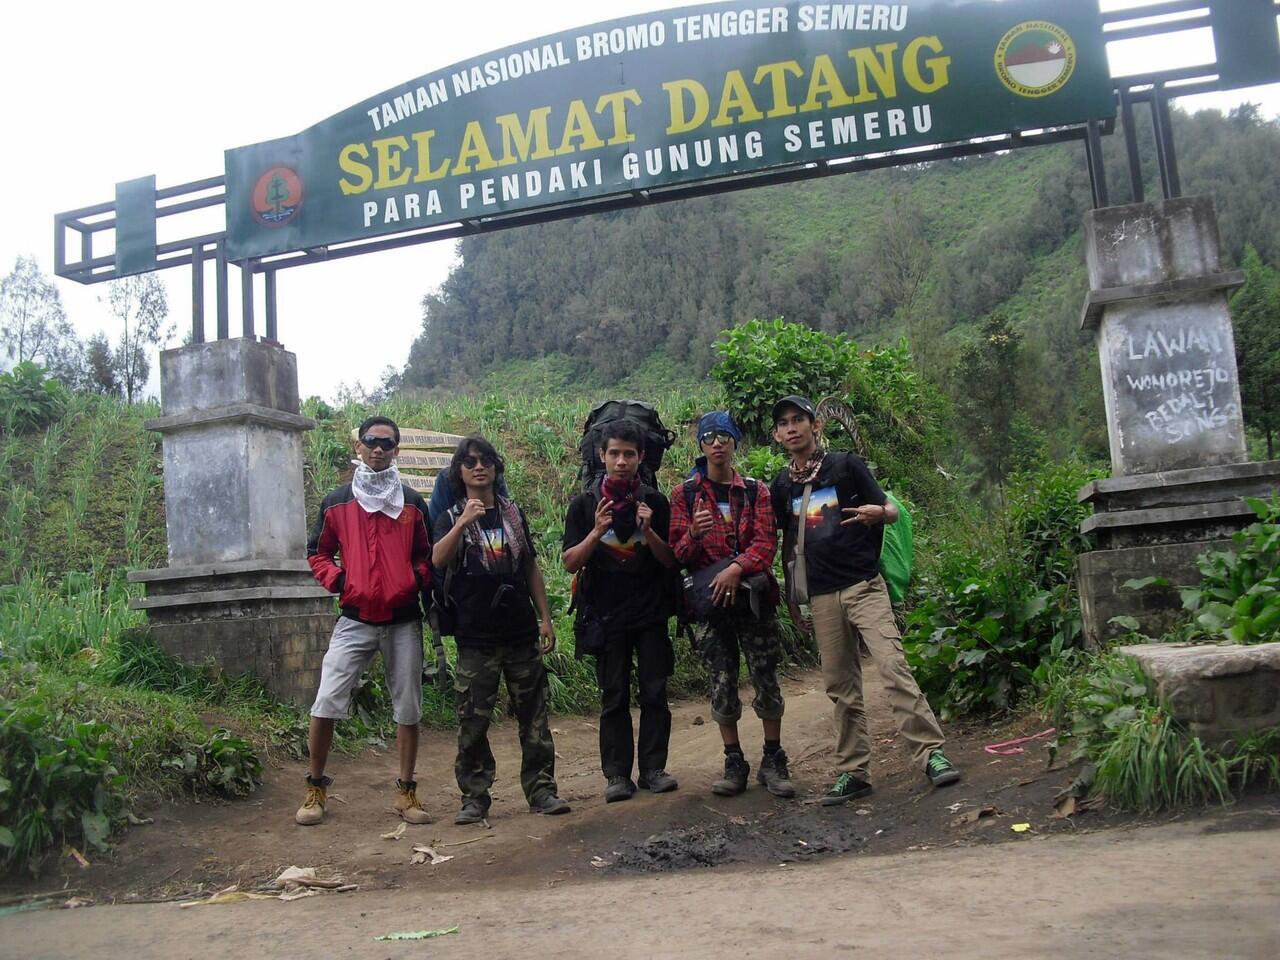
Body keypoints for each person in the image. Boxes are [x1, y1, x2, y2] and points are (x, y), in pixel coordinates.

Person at [769, 395, 961, 804]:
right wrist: (792, 597)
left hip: (863, 585)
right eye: (784, 423)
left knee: (892, 667)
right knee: (840, 685)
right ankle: (854, 772)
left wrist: (881, 514)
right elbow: (789, 541)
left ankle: (931, 754)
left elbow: (890, 509)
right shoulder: (783, 485)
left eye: (798, 420)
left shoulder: (845, 465)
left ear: (815, 425)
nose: (792, 428)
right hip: (820, 596)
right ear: (777, 435)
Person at [299, 415, 434, 827]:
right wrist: (341, 582)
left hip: (403, 619)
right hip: (355, 618)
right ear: (358, 447)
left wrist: (410, 581)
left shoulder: (411, 503)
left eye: (387, 443)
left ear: (396, 450)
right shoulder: (338, 501)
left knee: (407, 707)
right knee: (325, 702)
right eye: (371, 442)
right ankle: (316, 787)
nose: (378, 449)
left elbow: (426, 556)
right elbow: (317, 552)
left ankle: (406, 793)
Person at [432, 435, 570, 823]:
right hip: (475, 637)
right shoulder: (451, 515)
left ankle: (542, 790)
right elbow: (438, 559)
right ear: (460, 472)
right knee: (472, 720)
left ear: (496, 467)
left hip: (520, 632)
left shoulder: (513, 513)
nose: (480, 466)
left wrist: (545, 616)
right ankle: (475, 798)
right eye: (471, 461)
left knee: (535, 716)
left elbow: (529, 566)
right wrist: (462, 523)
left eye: (487, 460)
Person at [670, 412, 796, 799]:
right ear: (701, 445)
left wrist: (735, 569)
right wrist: (693, 534)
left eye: (724, 435)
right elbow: (677, 553)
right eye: (709, 436)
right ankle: (733, 759)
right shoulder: (685, 495)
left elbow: (766, 544)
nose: (717, 442)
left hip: (754, 601)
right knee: (721, 681)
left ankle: (773, 758)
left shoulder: (756, 491)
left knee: (766, 676)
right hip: (710, 606)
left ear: (735, 441)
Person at [563, 418, 679, 802]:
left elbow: (669, 560)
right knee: (613, 695)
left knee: (654, 691)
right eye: (614, 453)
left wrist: (649, 531)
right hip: (606, 615)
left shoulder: (655, 503)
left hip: (649, 613)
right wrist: (595, 532)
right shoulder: (584, 504)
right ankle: (616, 775)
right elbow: (569, 562)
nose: (622, 461)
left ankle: (653, 769)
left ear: (641, 457)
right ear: (602, 456)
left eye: (629, 454)